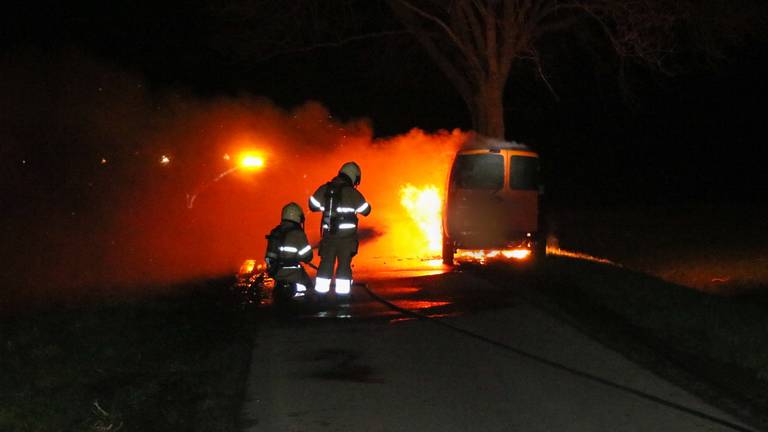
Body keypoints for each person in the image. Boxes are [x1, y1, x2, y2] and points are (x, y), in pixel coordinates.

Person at [308, 161, 371, 297]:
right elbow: (366, 210)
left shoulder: (326, 188)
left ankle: (321, 294)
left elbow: (312, 205)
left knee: (326, 264)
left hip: (329, 236)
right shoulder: (352, 193)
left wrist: (325, 207)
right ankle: (342, 297)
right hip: (346, 239)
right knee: (344, 266)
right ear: (354, 177)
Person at [265, 202, 313, 296]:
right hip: (294, 278)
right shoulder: (298, 234)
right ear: (297, 217)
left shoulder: (276, 232)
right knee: (310, 289)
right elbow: (308, 256)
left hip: (277, 277)